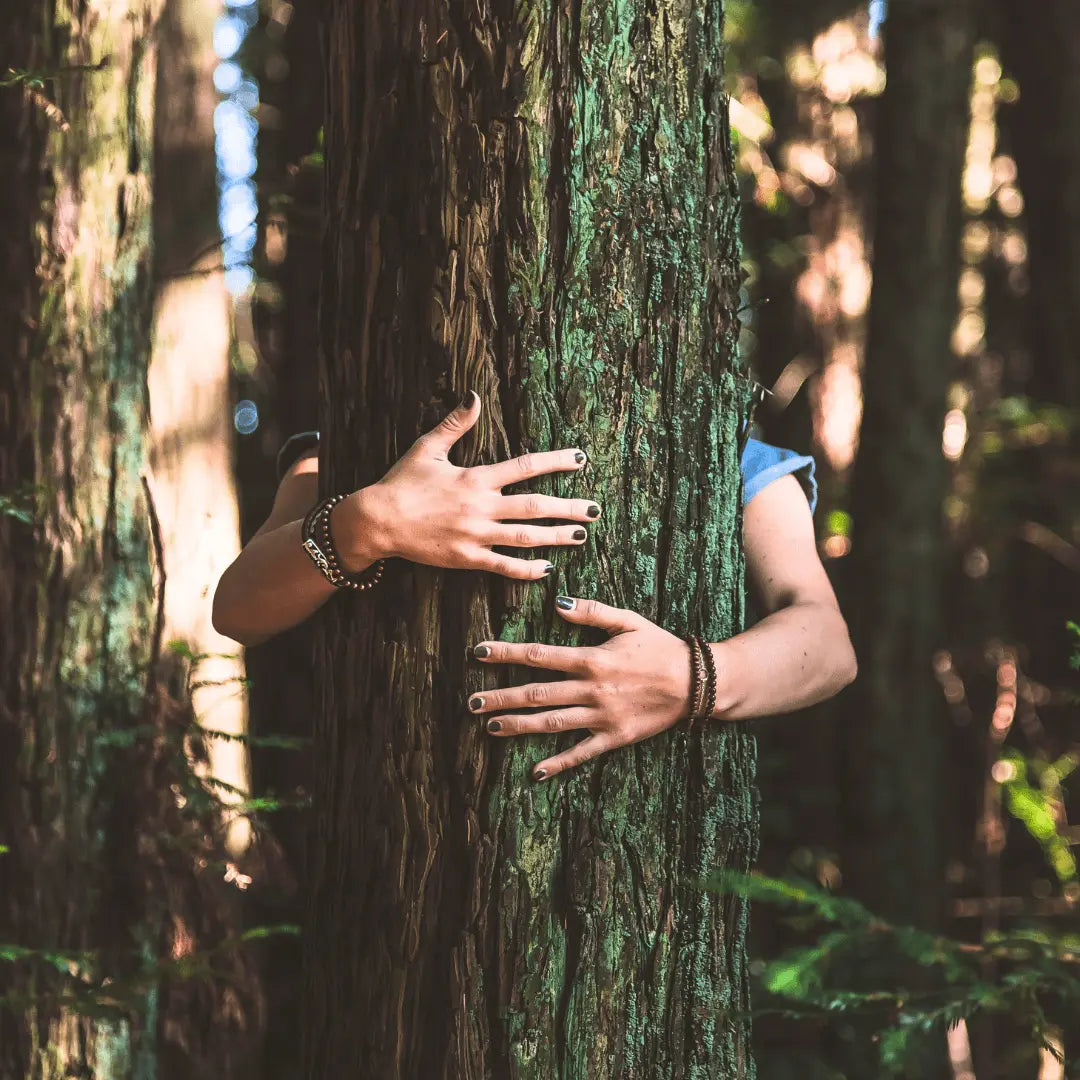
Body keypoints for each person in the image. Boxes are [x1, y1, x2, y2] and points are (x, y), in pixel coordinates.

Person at [212, 390, 856, 781]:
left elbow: (827, 644)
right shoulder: (357, 442)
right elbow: (239, 607)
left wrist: (691, 678)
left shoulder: (731, 459)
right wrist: (373, 521)